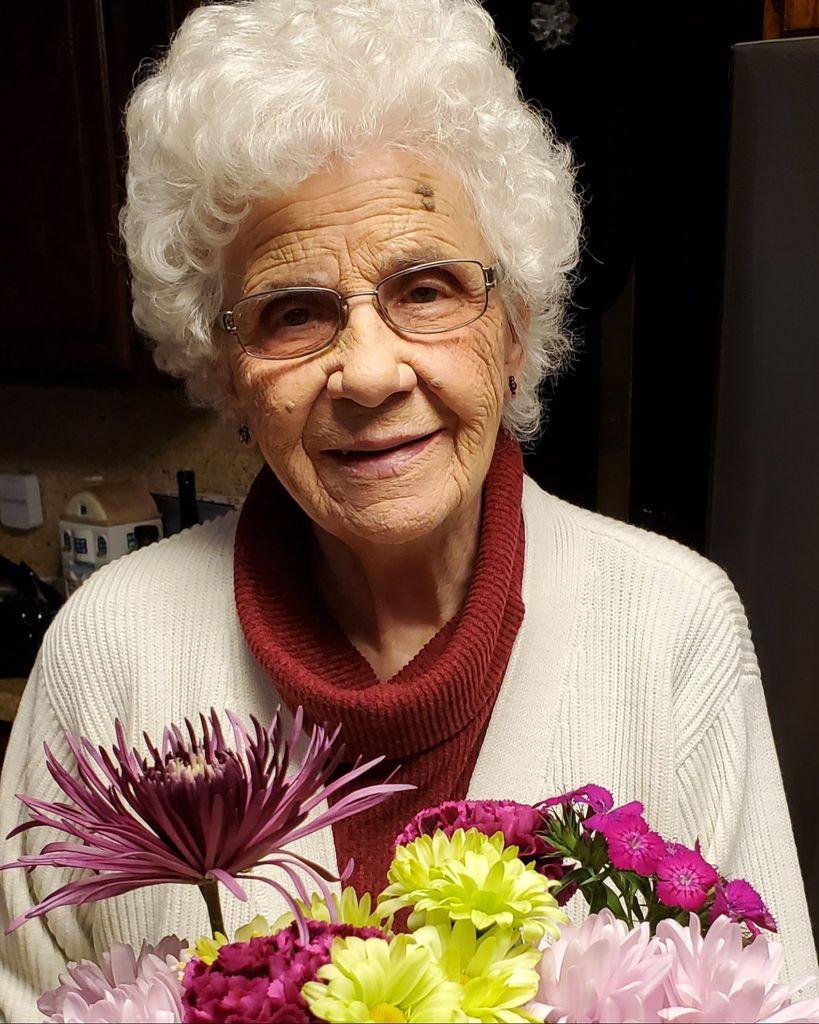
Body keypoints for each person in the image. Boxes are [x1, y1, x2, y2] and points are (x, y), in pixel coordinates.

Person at [0, 0, 815, 1018]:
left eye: (426, 289)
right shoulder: (109, 650)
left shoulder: (672, 629)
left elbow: (771, 1000)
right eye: (292, 313)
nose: (370, 372)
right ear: (228, 373)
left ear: (515, 328)